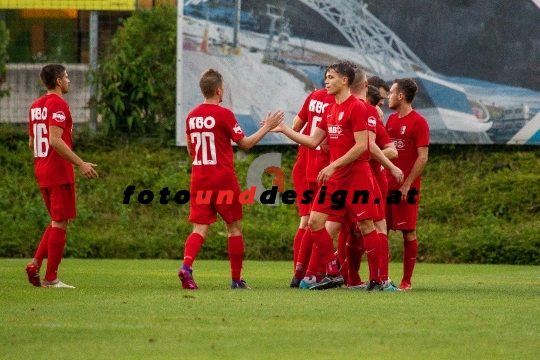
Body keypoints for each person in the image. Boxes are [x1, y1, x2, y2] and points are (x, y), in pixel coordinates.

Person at [271, 61, 386, 291]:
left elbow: (362, 145)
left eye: (331, 77)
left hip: (357, 176)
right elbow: (313, 141)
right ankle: (332, 272)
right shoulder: (330, 108)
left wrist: (333, 165)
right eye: (326, 77)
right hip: (335, 178)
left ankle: (376, 279)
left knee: (365, 225)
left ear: (345, 81)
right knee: (314, 222)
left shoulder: (358, 107)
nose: (327, 81)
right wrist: (285, 130)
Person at [180, 68, 284, 290]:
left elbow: (191, 149)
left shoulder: (191, 117)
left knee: (199, 229)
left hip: (199, 178)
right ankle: (236, 280)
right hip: (223, 179)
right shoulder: (224, 114)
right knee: (233, 228)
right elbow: (245, 144)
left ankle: (187, 267)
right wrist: (267, 127)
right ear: (219, 91)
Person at [26, 64, 99, 289]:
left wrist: (43, 162)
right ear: (58, 81)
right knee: (60, 222)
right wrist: (80, 163)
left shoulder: (36, 105)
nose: (68, 81)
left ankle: (35, 264)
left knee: (58, 219)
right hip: (57, 170)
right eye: (66, 77)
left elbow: (32, 143)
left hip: (42, 168)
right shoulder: (58, 104)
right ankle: (51, 278)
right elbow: (55, 139)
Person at [385, 78, 430, 291]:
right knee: (378, 230)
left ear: (400, 96)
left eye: (391, 93)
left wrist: (407, 184)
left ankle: (406, 281)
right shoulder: (391, 120)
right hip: (385, 185)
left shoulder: (418, 122)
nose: (388, 96)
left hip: (405, 189)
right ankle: (381, 278)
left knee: (408, 232)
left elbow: (423, 157)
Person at [289, 87, 334, 288]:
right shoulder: (339, 101)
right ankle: (316, 273)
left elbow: (296, 125)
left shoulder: (314, 96)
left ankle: (298, 275)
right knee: (325, 221)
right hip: (325, 167)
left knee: (306, 220)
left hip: (305, 164)